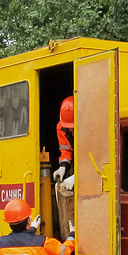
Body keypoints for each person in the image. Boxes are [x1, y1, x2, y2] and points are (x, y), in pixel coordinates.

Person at [52, 96, 75, 238]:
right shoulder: (61, 127)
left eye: (73, 128)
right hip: (77, 162)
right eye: (69, 128)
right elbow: (66, 151)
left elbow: (95, 157)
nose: (71, 131)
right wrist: (63, 168)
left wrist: (77, 178)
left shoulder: (91, 127)